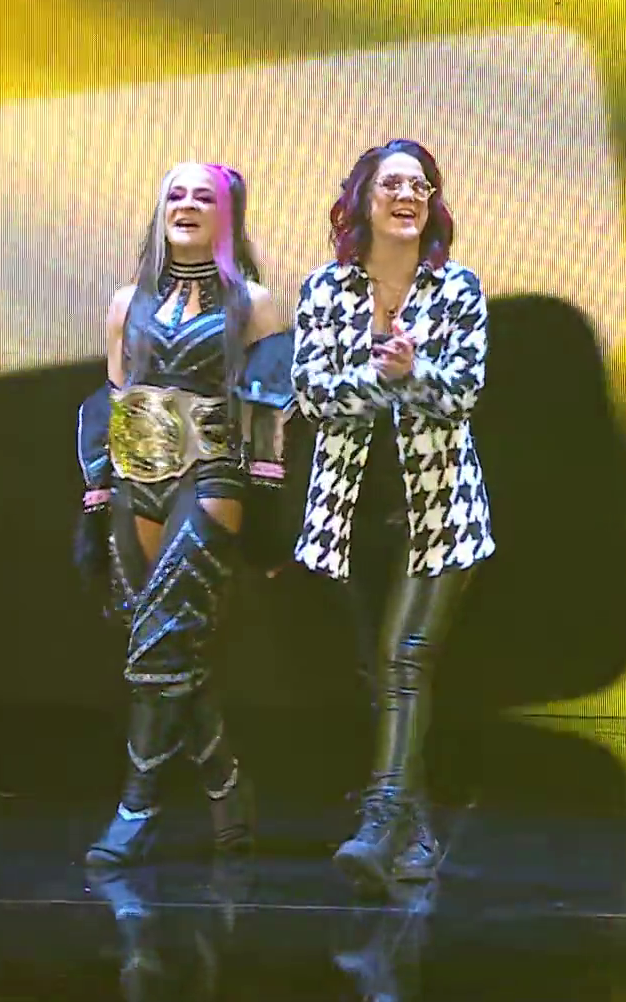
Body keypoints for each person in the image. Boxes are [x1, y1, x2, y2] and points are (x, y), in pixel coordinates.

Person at [291, 139, 496, 893]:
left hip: (440, 514)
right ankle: (417, 827)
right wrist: (387, 380)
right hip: (349, 515)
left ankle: (378, 825)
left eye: (420, 186)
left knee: (404, 659)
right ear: (363, 199)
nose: (407, 196)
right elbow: (312, 395)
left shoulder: (458, 288)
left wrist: (415, 372)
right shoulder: (324, 289)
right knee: (383, 673)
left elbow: (464, 392)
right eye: (392, 184)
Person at [75, 162, 286, 870]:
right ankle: (226, 782)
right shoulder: (125, 302)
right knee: (164, 644)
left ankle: (136, 809)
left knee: (161, 645)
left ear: (228, 215)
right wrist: (96, 496)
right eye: (176, 193)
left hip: (211, 471)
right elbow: (111, 400)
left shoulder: (254, 304)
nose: (187, 204)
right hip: (137, 471)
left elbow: (270, 416)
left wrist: (271, 515)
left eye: (204, 195)